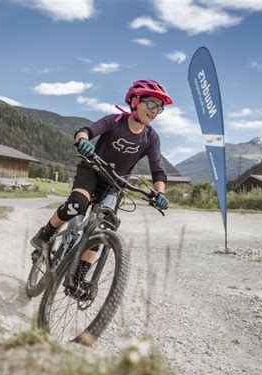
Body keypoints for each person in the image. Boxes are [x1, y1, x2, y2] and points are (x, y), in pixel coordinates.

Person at [30, 79, 172, 287]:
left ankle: (78, 277)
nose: (154, 111)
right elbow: (85, 130)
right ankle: (47, 233)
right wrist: (83, 141)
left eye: (159, 108)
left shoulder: (152, 138)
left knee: (104, 229)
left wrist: (160, 194)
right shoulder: (114, 121)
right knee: (78, 204)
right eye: (151, 104)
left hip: (115, 185)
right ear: (135, 100)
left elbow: (158, 169)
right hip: (92, 171)